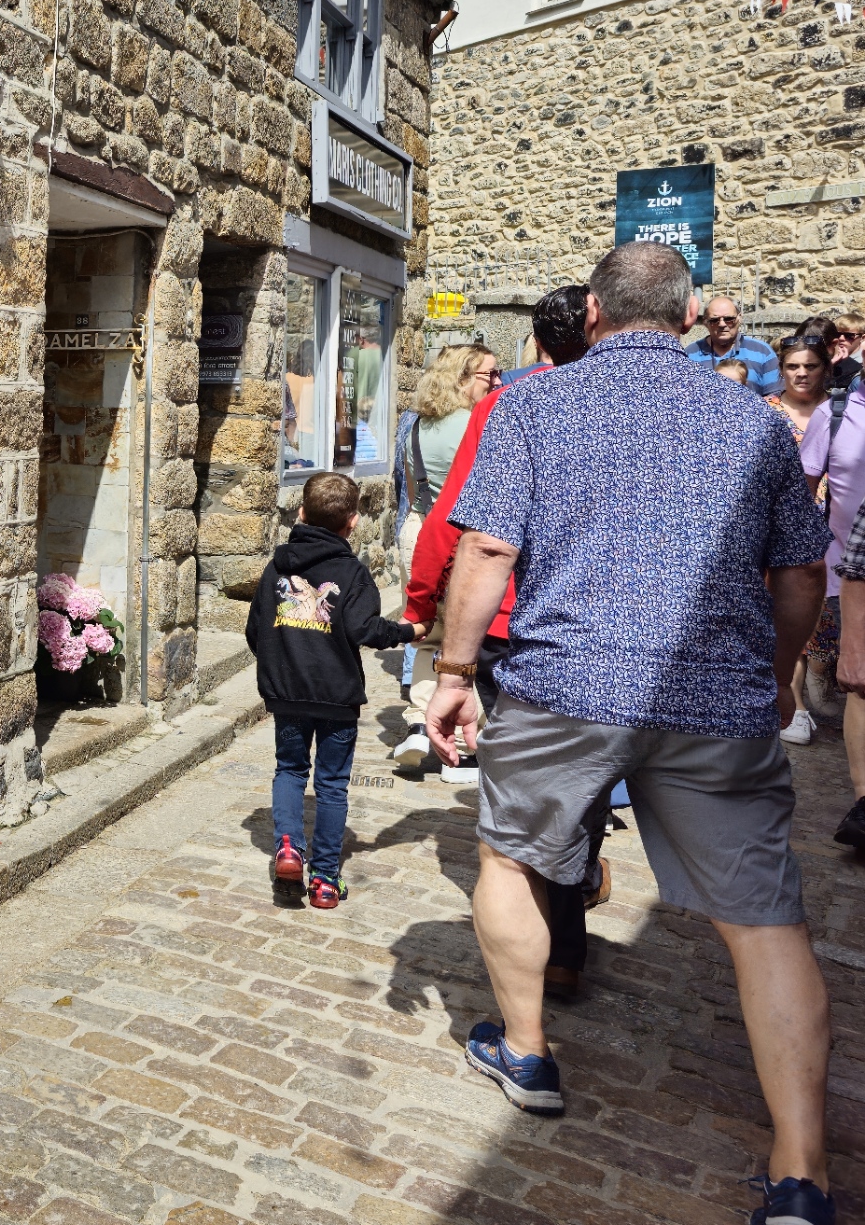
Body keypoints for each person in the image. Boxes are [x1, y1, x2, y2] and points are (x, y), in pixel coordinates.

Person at [427, 243, 833, 1225]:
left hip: (566, 681)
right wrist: (779, 674)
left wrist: (450, 672)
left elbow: (486, 546)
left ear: (595, 315)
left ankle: (526, 1049)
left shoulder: (535, 401)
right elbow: (800, 575)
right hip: (715, 696)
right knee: (764, 919)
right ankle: (800, 1170)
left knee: (514, 858)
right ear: (690, 318)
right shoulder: (757, 420)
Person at [403, 286, 608, 994]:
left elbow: (456, 522)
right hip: (598, 623)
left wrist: (421, 602)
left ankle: (553, 954)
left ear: (537, 342)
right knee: (582, 774)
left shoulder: (510, 405)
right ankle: (574, 901)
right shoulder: (638, 406)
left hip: (509, 622)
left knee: (525, 789)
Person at [248, 471, 423, 910]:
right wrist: (410, 630)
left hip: (287, 693)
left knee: (289, 770)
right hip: (336, 696)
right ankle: (325, 878)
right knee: (331, 784)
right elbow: (365, 629)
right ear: (353, 522)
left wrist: (278, 664)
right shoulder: (352, 573)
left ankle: (288, 847)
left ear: (302, 513)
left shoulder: (277, 568)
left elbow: (256, 630)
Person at [802, 352, 865, 849]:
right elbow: (803, 495)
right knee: (860, 684)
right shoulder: (838, 411)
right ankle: (864, 803)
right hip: (847, 571)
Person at [765, 338, 831, 748]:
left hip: (838, 529)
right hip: (787, 531)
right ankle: (796, 702)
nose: (801, 373)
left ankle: (823, 683)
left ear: (824, 367)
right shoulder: (765, 413)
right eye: (792, 366)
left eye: (809, 365)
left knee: (824, 617)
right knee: (789, 607)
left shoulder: (837, 411)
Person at [394, 345, 498, 562]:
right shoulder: (477, 425)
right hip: (459, 540)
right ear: (462, 379)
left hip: (417, 533)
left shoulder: (415, 425)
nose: (496, 381)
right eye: (490, 374)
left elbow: (412, 494)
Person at [686, 294, 780, 394]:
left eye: (728, 319)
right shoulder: (690, 355)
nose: (722, 324)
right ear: (705, 322)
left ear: (739, 318)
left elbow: (774, 397)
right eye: (714, 320)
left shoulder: (762, 352)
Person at [826, 311, 864, 391]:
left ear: (862, 338)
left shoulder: (863, 365)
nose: (841, 338)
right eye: (837, 334)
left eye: (849, 336)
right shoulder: (826, 359)